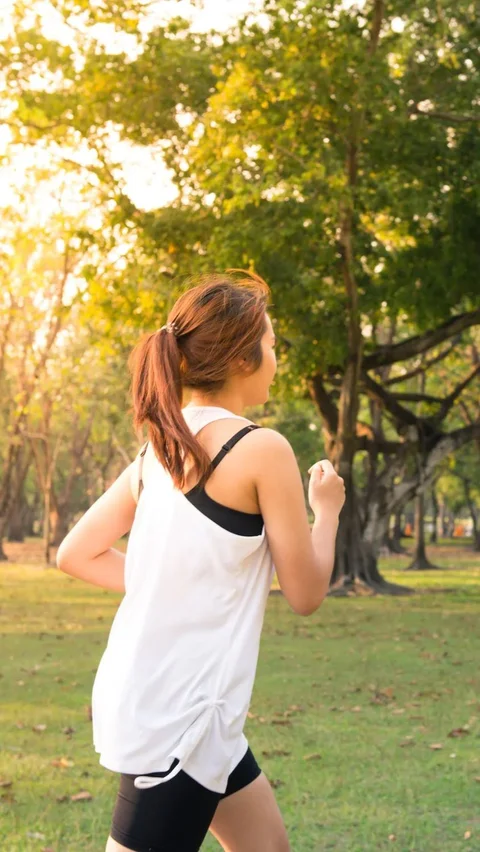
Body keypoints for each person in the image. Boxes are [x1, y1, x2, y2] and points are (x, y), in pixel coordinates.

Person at [56, 271, 345, 852]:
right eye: (270, 344)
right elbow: (307, 592)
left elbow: (76, 553)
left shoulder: (159, 447)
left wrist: (171, 585)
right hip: (179, 721)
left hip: (194, 712)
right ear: (241, 357)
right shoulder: (261, 449)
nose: (275, 359)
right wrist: (328, 509)